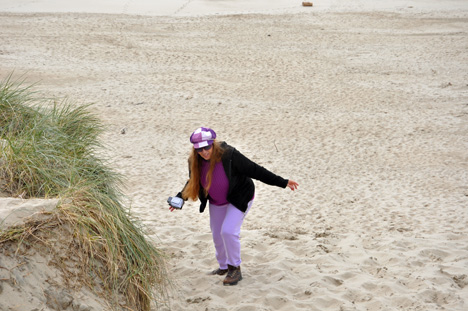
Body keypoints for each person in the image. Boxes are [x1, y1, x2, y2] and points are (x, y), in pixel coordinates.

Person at [169, 127, 299, 286]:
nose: (203, 152)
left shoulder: (229, 155)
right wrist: (179, 198)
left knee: (228, 231)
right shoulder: (194, 161)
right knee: (217, 235)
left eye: (207, 147)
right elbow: (193, 182)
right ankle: (223, 266)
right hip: (217, 201)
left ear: (213, 144)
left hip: (239, 197)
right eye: (199, 149)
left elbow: (255, 170)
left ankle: (235, 268)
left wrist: (283, 182)